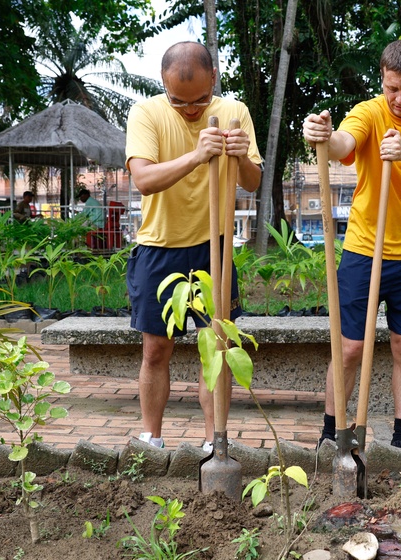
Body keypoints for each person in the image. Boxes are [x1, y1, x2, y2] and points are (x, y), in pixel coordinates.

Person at [302, 39, 401, 451]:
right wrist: (323, 136)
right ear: (383, 80)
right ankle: (330, 433)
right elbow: (345, 144)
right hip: (363, 248)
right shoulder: (370, 112)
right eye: (392, 88)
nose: (399, 98)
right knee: (351, 346)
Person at [125, 42, 263, 450]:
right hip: (159, 246)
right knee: (156, 349)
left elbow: (252, 183)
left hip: (213, 246)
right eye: (178, 101)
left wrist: (239, 158)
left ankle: (214, 440)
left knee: (216, 347)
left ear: (214, 81)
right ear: (164, 87)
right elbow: (144, 180)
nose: (190, 110)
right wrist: (197, 154)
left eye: (200, 100)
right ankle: (151, 437)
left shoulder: (234, 112)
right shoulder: (146, 113)